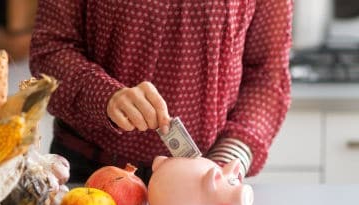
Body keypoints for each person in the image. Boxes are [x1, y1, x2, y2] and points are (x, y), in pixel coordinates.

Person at [29, 0, 292, 184]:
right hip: (88, 173)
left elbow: (267, 73)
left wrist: (229, 159)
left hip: (207, 181)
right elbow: (49, 50)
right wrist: (105, 96)